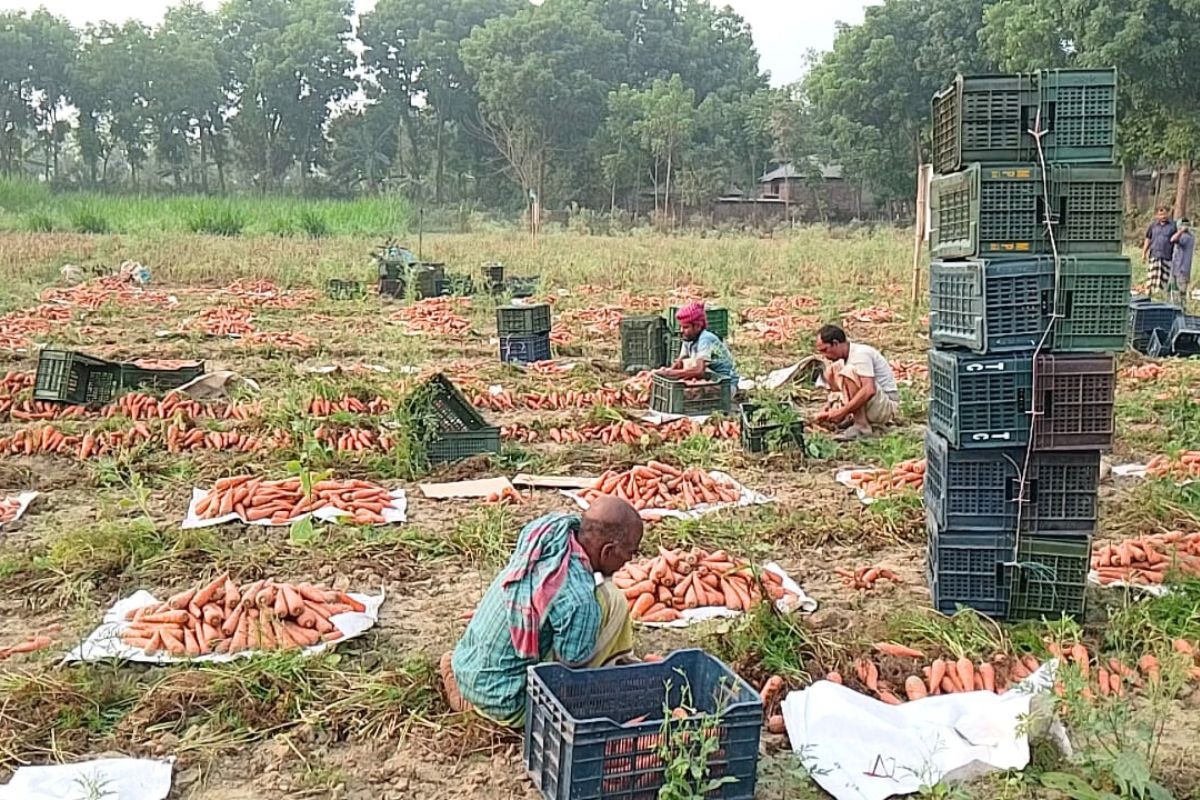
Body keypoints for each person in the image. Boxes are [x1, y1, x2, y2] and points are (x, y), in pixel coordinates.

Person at [440, 497, 644, 726]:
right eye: (631, 552)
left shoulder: (551, 530)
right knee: (612, 600)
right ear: (607, 551)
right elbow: (572, 666)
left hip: (466, 665)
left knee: (603, 599)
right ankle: (480, 706)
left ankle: (463, 680)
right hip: (506, 701)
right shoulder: (579, 600)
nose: (629, 560)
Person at [814, 324, 900, 440]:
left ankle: (861, 426)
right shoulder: (843, 359)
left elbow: (869, 390)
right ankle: (848, 417)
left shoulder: (860, 355)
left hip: (885, 406)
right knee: (833, 370)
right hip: (872, 405)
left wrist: (842, 412)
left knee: (849, 372)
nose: (824, 356)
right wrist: (828, 407)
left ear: (835, 343)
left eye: (825, 350)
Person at [657, 302, 738, 383]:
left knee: (690, 387)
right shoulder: (689, 338)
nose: (681, 330)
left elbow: (699, 371)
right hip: (710, 378)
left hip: (725, 382)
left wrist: (669, 373)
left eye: (685, 327)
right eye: (681, 326)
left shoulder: (705, 338)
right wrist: (665, 372)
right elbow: (680, 362)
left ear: (698, 326)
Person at [1143, 206, 1178, 297]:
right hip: (1154, 255)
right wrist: (1144, 253)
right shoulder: (1153, 226)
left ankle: (1162, 295)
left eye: (1165, 214)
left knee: (1164, 278)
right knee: (1152, 278)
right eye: (1161, 214)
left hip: (1167, 256)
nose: (1163, 216)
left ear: (1168, 214)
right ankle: (1150, 294)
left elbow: (1177, 240)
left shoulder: (1173, 226)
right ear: (1157, 215)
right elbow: (1148, 239)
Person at [1170, 217, 1194, 310]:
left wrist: (1180, 231)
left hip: (1182, 270)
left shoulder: (1187, 237)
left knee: (1181, 293)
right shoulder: (1183, 236)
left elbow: (1172, 239)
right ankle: (1176, 309)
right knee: (1174, 292)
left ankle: (1182, 311)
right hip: (1175, 268)